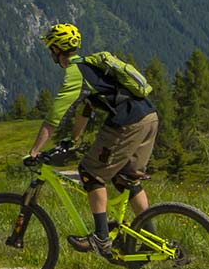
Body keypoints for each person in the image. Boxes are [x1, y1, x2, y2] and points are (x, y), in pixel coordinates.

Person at [25, 22, 158, 255]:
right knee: (127, 178)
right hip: (150, 117)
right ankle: (151, 238)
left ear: (57, 50)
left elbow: (54, 116)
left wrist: (35, 150)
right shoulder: (90, 67)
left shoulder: (74, 74)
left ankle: (101, 238)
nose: (50, 53)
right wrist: (73, 139)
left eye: (51, 49)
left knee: (90, 172)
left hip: (128, 122)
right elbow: (86, 110)